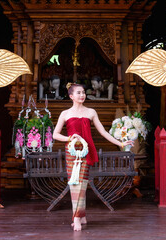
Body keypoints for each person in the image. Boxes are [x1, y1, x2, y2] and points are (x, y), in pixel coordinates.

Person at [53, 82, 134, 231]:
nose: (82, 95)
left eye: (83, 92)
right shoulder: (65, 113)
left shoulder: (91, 112)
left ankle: (77, 217)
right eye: (78, 93)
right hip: (72, 151)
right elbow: (55, 134)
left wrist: (121, 143)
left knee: (82, 184)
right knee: (74, 183)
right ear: (71, 96)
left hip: (86, 151)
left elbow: (103, 132)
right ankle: (80, 216)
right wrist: (70, 138)